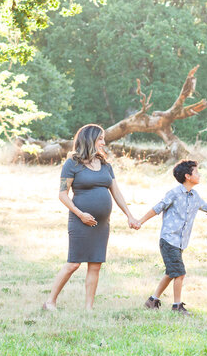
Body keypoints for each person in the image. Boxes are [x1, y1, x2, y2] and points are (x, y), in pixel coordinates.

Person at [43, 124, 140, 311]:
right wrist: (80, 214)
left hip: (101, 224)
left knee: (95, 264)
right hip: (80, 221)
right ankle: (50, 302)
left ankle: (89, 308)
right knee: (73, 263)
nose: (104, 142)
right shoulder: (72, 163)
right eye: (100, 139)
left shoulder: (105, 165)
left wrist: (129, 215)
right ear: (90, 140)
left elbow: (116, 193)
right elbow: (62, 194)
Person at [138, 160, 207, 315]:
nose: (199, 174)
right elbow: (157, 208)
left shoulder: (195, 196)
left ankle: (152, 301)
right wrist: (139, 221)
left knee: (171, 272)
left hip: (180, 242)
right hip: (169, 240)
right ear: (188, 176)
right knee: (180, 273)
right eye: (196, 172)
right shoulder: (174, 193)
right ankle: (177, 306)